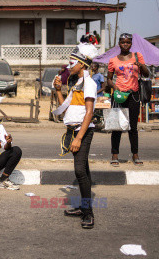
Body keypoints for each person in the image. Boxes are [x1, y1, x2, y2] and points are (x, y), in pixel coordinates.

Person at [52, 43, 99, 229]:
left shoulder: (89, 83)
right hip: (73, 130)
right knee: (84, 169)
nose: (69, 66)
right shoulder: (76, 83)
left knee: (79, 170)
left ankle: (88, 214)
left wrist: (79, 138)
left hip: (83, 131)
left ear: (82, 64)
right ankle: (83, 207)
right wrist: (57, 90)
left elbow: (89, 113)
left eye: (72, 63)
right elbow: (65, 110)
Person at [107, 33, 149, 166]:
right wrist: (115, 87)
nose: (125, 44)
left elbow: (146, 73)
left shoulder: (138, 56)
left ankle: (135, 155)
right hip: (119, 95)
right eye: (123, 42)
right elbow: (108, 79)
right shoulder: (113, 60)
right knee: (117, 126)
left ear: (131, 44)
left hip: (133, 95)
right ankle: (115, 155)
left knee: (133, 127)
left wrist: (140, 65)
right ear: (119, 43)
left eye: (128, 42)